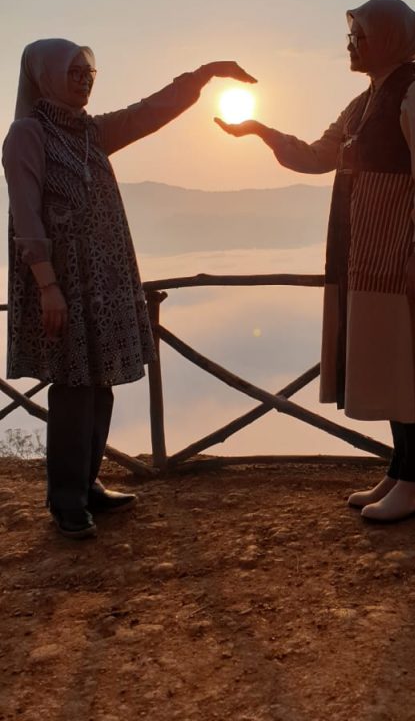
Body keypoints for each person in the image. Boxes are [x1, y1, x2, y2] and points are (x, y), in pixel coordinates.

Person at [3, 39, 256, 539]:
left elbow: (149, 112)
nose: (85, 79)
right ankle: (66, 498)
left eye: (88, 70)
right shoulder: (26, 135)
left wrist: (202, 75)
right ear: (45, 75)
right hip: (62, 281)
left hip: (105, 278)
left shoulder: (92, 132)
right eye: (73, 71)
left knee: (101, 383)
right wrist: (48, 286)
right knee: (74, 387)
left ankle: (89, 481)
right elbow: (25, 217)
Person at [216, 0, 415, 523]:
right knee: (390, 359)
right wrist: (259, 130)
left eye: (361, 36)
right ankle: (402, 469)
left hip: (399, 253)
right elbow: (317, 156)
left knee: (407, 358)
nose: (351, 44)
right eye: (352, 36)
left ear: (391, 38)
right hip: (367, 251)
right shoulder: (363, 103)